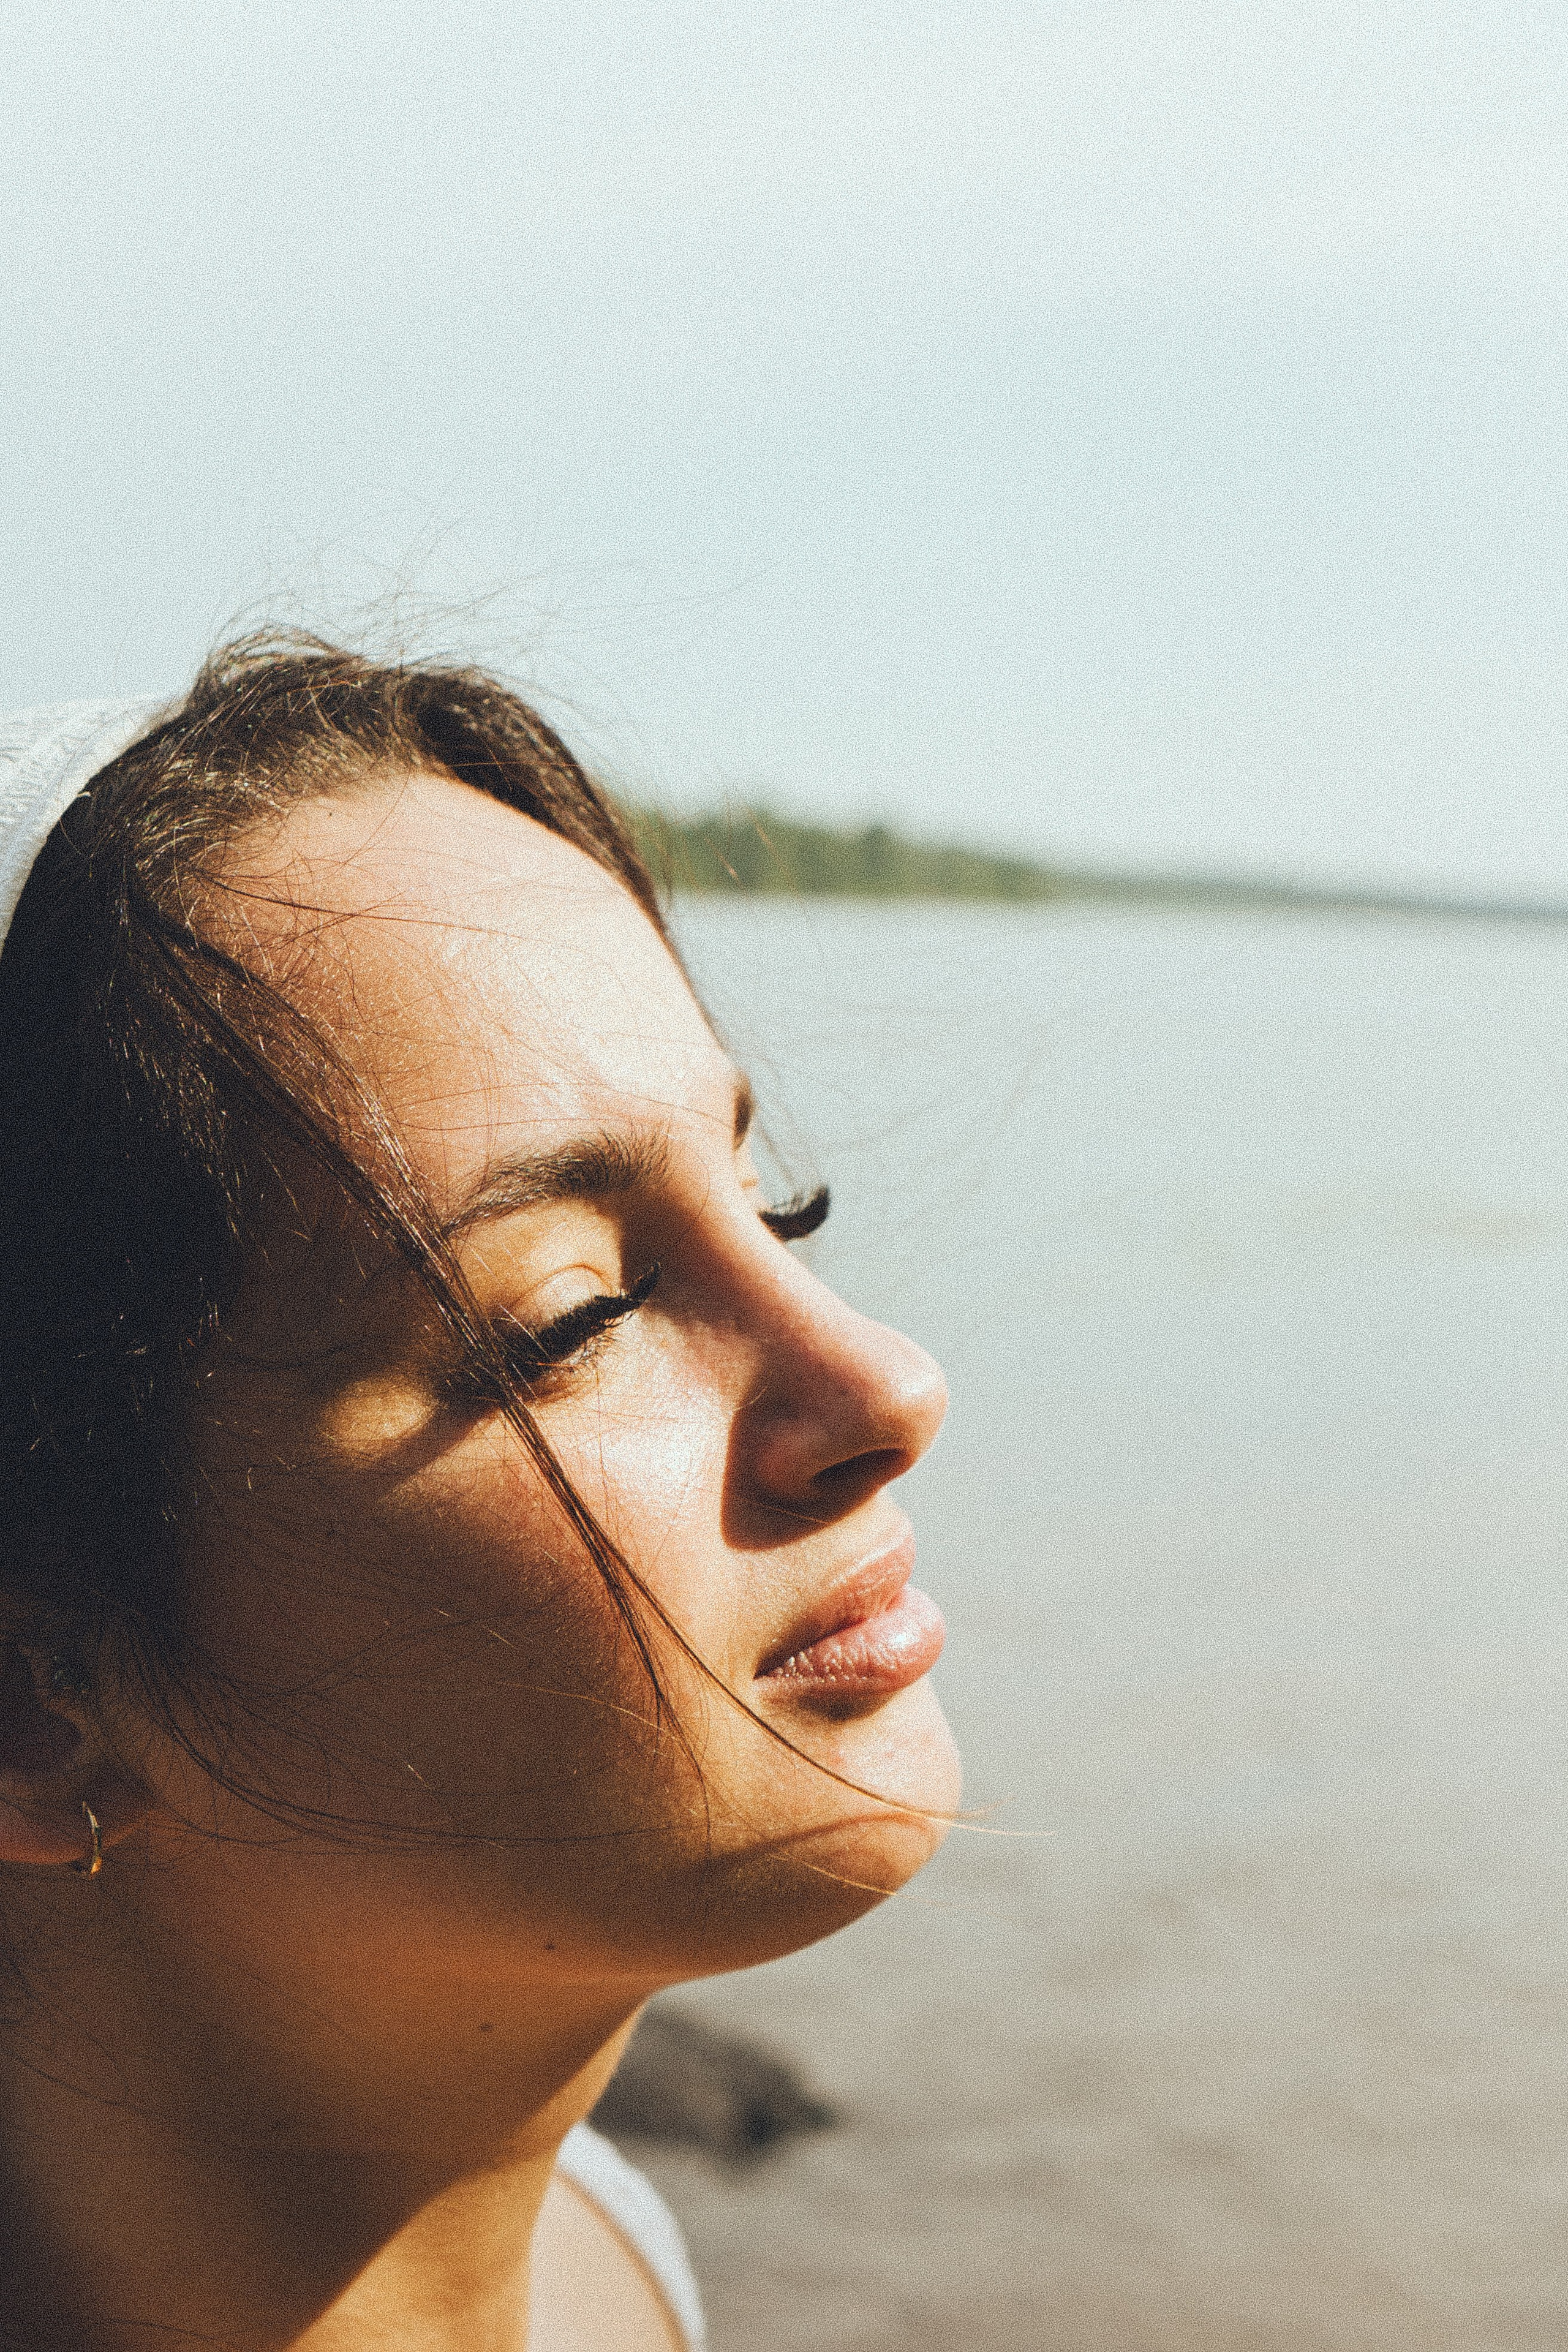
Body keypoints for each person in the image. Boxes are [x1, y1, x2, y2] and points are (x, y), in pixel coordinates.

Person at [0, 641, 960, 2351]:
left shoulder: (615, 2252)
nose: (888, 1386)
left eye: (773, 1209)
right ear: (30, 1700)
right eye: (572, 1315)